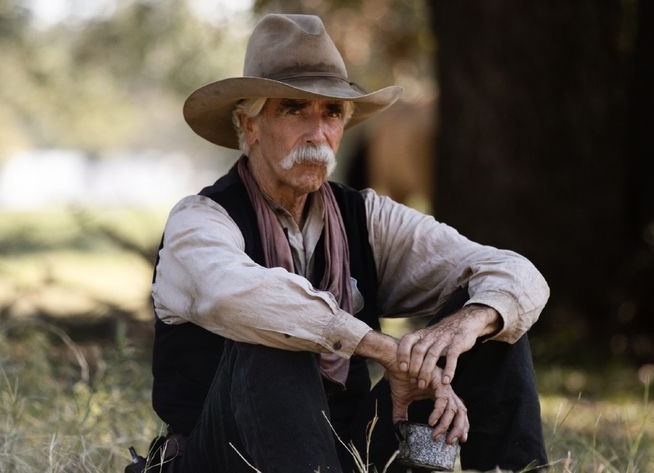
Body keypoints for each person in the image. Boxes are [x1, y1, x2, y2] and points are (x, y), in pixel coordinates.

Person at [150, 13, 550, 473]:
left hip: (345, 453)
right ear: (250, 124)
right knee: (275, 335)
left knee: (492, 325)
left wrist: (466, 325)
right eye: (293, 109)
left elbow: (517, 273)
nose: (317, 133)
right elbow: (241, 297)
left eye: (332, 113)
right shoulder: (199, 221)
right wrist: (386, 350)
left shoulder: (365, 216)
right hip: (228, 457)